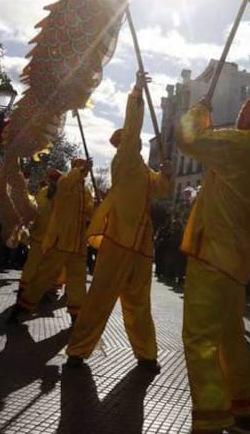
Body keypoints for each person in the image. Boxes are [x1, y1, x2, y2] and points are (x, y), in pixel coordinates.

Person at [176, 96, 250, 434]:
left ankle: (211, 416)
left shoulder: (237, 143)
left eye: (244, 112)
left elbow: (188, 140)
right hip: (235, 260)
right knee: (230, 339)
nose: (239, 116)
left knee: (199, 338)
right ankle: (243, 413)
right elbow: (206, 146)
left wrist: (198, 113)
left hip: (212, 255)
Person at [66, 71, 173, 371]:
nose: (134, 140)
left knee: (139, 303)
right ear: (123, 143)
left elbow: (162, 189)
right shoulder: (123, 161)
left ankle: (147, 355)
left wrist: (166, 172)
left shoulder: (142, 169)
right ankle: (78, 350)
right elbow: (134, 124)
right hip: (118, 241)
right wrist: (136, 93)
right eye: (129, 137)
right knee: (101, 296)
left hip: (141, 247)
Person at [7, 158, 94, 324]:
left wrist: (95, 208)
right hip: (61, 241)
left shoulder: (86, 190)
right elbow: (66, 183)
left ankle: (76, 316)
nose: (85, 171)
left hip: (79, 244)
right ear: (74, 168)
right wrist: (80, 171)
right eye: (80, 168)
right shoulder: (66, 183)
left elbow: (89, 212)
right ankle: (21, 308)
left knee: (77, 281)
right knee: (43, 276)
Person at [17, 168, 62, 298]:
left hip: (52, 239)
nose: (53, 181)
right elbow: (36, 212)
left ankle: (45, 290)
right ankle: (26, 290)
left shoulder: (62, 195)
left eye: (55, 179)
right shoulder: (44, 193)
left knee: (46, 267)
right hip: (43, 237)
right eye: (52, 179)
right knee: (34, 265)